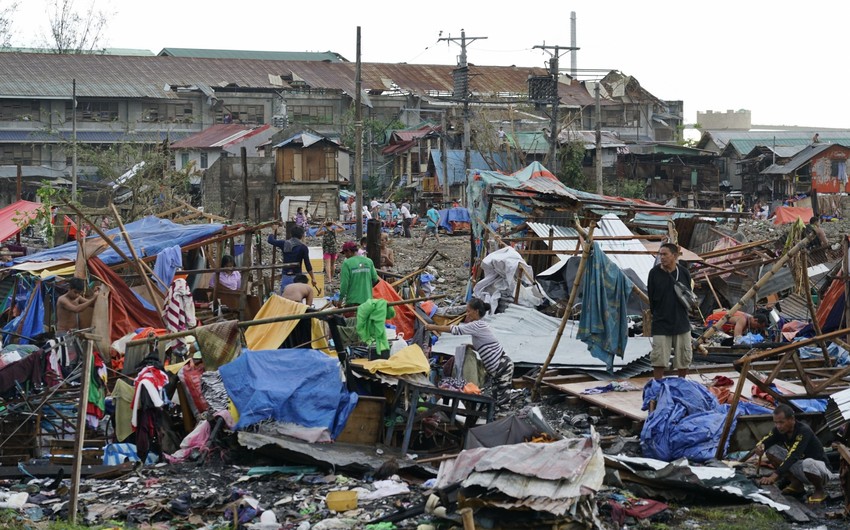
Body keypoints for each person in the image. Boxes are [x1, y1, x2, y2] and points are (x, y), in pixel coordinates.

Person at [424, 298, 514, 412]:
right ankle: (497, 422)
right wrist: (473, 347)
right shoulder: (479, 327)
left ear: (476, 311)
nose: (467, 314)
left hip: (502, 367)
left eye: (468, 311)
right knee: (496, 399)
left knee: (502, 402)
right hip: (497, 370)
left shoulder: (478, 325)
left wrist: (433, 327)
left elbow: (456, 330)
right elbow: (486, 345)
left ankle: (503, 424)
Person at [754, 403, 833, 503]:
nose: (778, 426)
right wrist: (760, 447)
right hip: (801, 466)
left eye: (781, 422)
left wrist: (774, 476)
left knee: (807, 462)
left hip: (821, 471)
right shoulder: (779, 430)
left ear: (792, 419)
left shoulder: (804, 431)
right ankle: (797, 484)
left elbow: (794, 455)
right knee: (771, 450)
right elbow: (766, 440)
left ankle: (819, 490)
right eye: (776, 423)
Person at [647, 243, 693, 380]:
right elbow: (651, 298)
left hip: (681, 321)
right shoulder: (654, 273)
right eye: (660, 254)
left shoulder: (683, 272)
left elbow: (689, 296)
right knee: (659, 357)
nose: (662, 257)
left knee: (683, 357)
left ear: (674, 256)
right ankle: (658, 384)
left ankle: (681, 382)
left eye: (665, 254)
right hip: (661, 321)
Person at [267, 225, 317, 293]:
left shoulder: (284, 243)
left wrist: (273, 230)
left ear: (291, 234)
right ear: (302, 236)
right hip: (298, 278)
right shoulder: (303, 247)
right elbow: (307, 265)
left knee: (285, 299)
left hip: (286, 276)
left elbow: (270, 240)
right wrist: (313, 278)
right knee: (297, 299)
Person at [338, 241, 378, 306]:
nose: (345, 256)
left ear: (349, 251)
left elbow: (344, 284)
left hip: (353, 301)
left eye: (345, 253)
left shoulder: (347, 263)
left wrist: (340, 300)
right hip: (368, 301)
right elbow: (375, 280)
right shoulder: (369, 261)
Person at [704, 310, 769, 343]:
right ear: (755, 320)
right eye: (757, 326)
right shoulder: (743, 319)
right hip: (712, 321)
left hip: (723, 327)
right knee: (726, 340)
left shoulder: (748, 321)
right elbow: (737, 338)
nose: (756, 328)